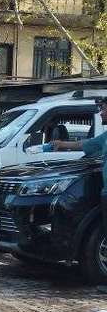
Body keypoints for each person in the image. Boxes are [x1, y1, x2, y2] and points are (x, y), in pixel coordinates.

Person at [51, 96, 107, 237]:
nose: (101, 112)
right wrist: (61, 144)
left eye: (104, 108)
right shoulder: (105, 137)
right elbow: (85, 144)